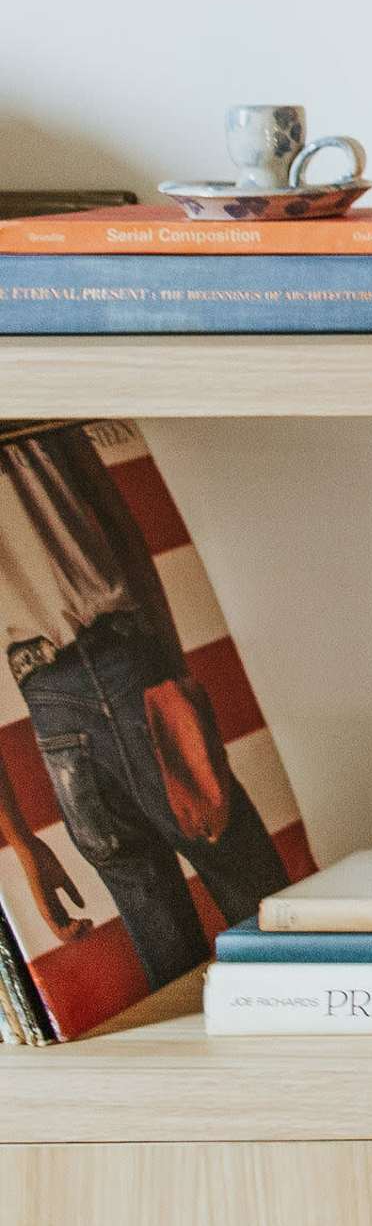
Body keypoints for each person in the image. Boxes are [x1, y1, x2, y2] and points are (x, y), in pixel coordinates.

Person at [0, 423, 291, 988]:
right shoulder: (40, 404)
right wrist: (172, 674)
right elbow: (125, 539)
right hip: (125, 662)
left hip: (48, 708)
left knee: (168, 957)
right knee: (267, 915)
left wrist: (23, 842)